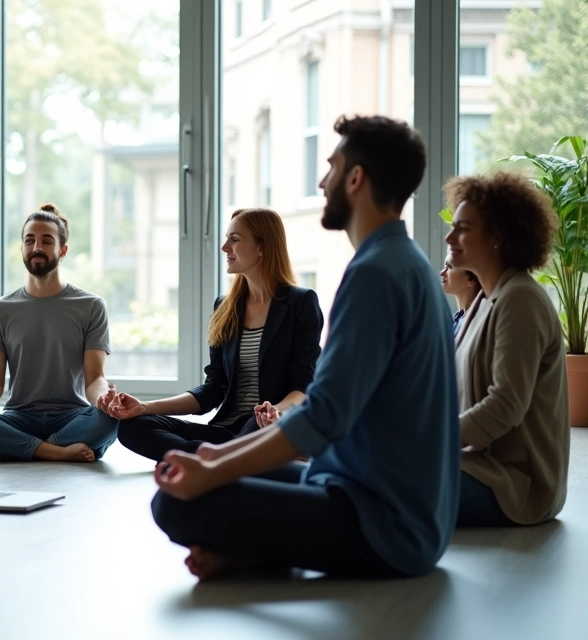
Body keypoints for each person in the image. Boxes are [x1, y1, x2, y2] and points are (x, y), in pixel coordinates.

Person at [150, 115, 459, 580]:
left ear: (356, 178)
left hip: (386, 524)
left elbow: (322, 417)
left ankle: (257, 551)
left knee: (172, 500)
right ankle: (253, 554)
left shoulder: (374, 274)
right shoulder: (407, 262)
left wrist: (215, 471)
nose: (322, 181)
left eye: (331, 167)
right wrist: (219, 458)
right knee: (212, 469)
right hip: (379, 493)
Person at [108, 208, 323, 462]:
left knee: (257, 426)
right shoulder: (225, 307)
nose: (224, 247)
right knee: (133, 426)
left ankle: (211, 461)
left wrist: (274, 411)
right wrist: (144, 407)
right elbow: (213, 389)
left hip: (266, 426)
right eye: (226, 238)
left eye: (235, 239)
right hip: (225, 430)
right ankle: (219, 461)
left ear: (262, 247)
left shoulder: (300, 302)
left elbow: (303, 386)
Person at [0, 203, 118, 463]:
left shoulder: (91, 306)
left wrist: (105, 400)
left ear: (63, 250)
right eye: (29, 240)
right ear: (22, 248)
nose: (37, 247)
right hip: (19, 418)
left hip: (72, 417)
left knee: (111, 417)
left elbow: (94, 379)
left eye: (47, 241)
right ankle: (58, 452)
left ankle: (14, 448)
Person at [444, 172, 568, 527]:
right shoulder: (484, 300)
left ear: (497, 236)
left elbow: (505, 405)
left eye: (463, 228)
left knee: (378, 487)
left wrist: (435, 440)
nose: (450, 237)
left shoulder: (520, 298)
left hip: (513, 485)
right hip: (479, 464)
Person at [439, 255, 481, 336]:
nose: (442, 273)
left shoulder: (474, 324)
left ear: (470, 279)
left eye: (449, 267)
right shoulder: (455, 320)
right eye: (444, 267)